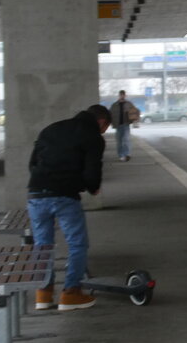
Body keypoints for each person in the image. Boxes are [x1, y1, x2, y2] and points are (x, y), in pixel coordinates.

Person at [27, 104, 112, 311]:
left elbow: (33, 162)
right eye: (106, 127)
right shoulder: (93, 137)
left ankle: (44, 294)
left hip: (36, 193)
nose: (104, 131)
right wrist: (92, 188)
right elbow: (93, 169)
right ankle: (71, 293)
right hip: (64, 195)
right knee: (77, 245)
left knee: (42, 245)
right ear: (101, 121)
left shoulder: (51, 129)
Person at [108, 90, 140, 162]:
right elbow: (110, 113)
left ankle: (127, 154)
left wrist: (135, 120)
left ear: (125, 95)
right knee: (119, 141)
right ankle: (121, 155)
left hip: (126, 124)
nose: (122, 96)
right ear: (119, 95)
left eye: (123, 95)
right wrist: (110, 123)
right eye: (121, 95)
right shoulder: (114, 105)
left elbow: (135, 111)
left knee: (126, 140)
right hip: (118, 125)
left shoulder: (129, 104)